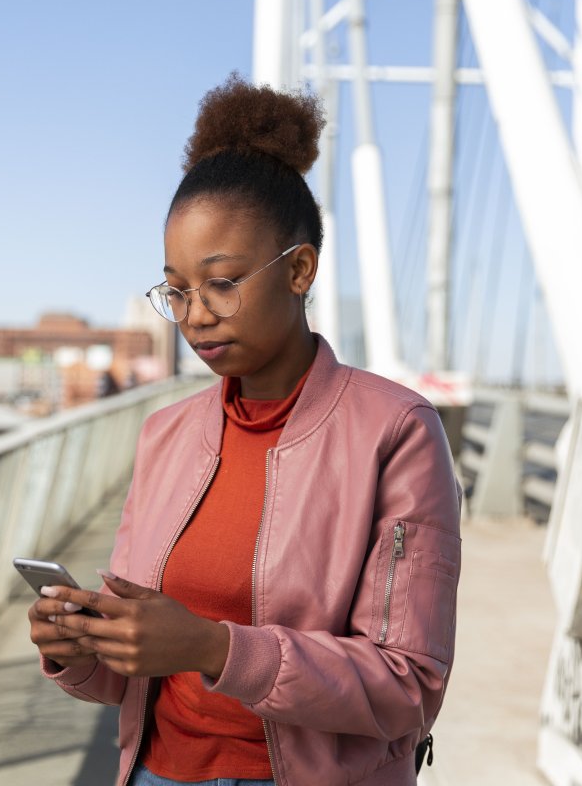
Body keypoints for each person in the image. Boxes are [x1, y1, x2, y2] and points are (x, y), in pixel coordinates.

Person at [27, 74, 461, 786]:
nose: (196, 314)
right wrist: (80, 647)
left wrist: (214, 648)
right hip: (155, 773)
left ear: (299, 270)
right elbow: (134, 675)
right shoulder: (166, 435)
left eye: (222, 282)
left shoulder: (396, 432)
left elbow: (408, 685)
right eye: (176, 291)